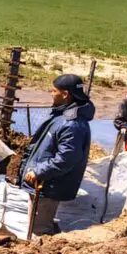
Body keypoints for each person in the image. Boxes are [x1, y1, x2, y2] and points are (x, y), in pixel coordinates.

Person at [21, 74, 96, 236]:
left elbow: (66, 158)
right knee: (39, 224)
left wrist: (39, 171)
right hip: (46, 182)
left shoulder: (71, 124)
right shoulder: (62, 116)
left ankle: (44, 249)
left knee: (39, 229)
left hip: (48, 185)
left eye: (54, 90)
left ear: (65, 94)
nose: (51, 93)